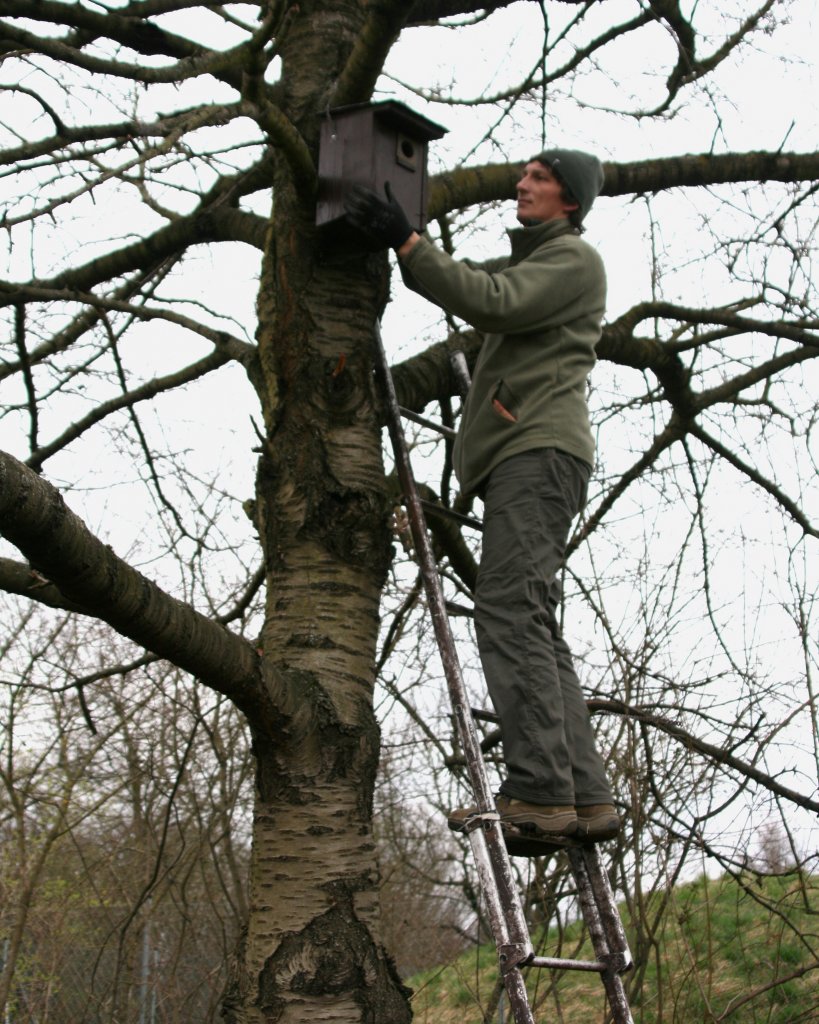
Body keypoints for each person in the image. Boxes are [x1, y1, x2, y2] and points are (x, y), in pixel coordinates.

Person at [345, 149, 619, 845]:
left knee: (506, 614)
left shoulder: (572, 260)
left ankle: (539, 792)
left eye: (538, 179)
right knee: (530, 620)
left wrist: (406, 239)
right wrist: (411, 245)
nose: (519, 185)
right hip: (531, 456)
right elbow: (476, 283)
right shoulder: (538, 261)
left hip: (537, 454)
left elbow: (487, 299)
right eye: (523, 175)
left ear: (569, 200)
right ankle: (583, 798)